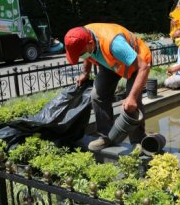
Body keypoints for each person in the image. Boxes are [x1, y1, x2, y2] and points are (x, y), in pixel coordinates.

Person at [64, 23, 151, 151]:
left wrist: (131, 97)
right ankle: (106, 137)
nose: (81, 56)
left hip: (138, 62)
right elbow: (87, 56)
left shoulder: (114, 44)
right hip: (112, 62)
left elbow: (144, 67)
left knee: (132, 102)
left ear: (91, 43)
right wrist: (85, 73)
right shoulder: (82, 35)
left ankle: (138, 140)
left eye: (81, 53)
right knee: (97, 95)